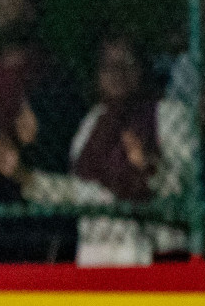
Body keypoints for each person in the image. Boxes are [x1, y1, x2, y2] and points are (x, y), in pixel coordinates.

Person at [69, 33, 193, 262]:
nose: (117, 73)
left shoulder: (168, 114)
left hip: (155, 252)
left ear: (142, 69)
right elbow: (79, 188)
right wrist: (26, 178)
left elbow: (188, 191)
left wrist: (151, 168)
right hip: (98, 255)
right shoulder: (93, 122)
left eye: (126, 64)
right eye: (108, 66)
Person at [0, 0, 84, 174]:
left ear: (30, 13)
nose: (3, 14)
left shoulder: (48, 71)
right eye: (0, 7)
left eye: (12, 6)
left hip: (33, 171)